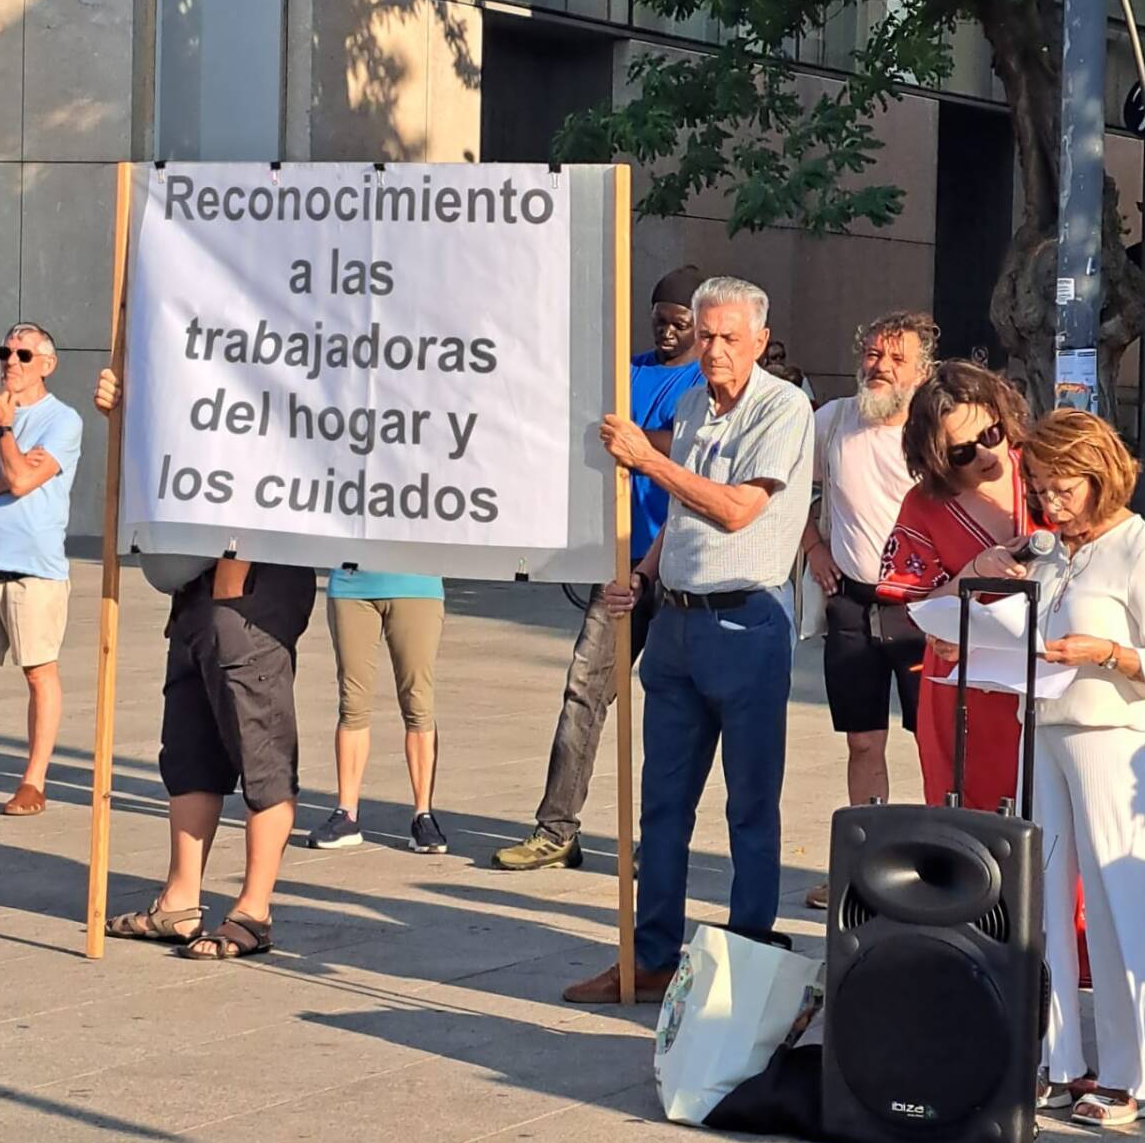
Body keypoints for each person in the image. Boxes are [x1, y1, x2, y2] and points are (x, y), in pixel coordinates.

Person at [563, 277, 814, 1004]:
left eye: (729, 337)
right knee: (661, 806)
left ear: (760, 339)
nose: (714, 350)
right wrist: (642, 575)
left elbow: (737, 510)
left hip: (745, 619)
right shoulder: (694, 402)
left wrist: (648, 460)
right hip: (675, 618)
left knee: (750, 807)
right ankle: (650, 956)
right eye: (705, 335)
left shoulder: (784, 407)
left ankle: (745, 965)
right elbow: (681, 510)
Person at [95, 368, 317, 958]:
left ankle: (253, 911)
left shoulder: (272, 360)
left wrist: (234, 568)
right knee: (190, 750)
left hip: (249, 589)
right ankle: (180, 900)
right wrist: (125, 411)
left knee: (261, 751)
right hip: (195, 593)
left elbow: (281, 446)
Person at [492, 267, 704, 870]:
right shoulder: (625, 370)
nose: (666, 332)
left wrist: (635, 441)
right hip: (617, 559)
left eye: (678, 323)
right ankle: (556, 828)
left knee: (673, 707)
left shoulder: (702, 381)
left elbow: (690, 445)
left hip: (678, 561)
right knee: (584, 690)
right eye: (659, 320)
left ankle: (658, 843)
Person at [1024, 411, 1145, 1128]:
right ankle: (1058, 1060)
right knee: (1044, 901)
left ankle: (1131, 1075)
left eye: (1062, 488)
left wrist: (1108, 653)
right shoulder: (1052, 550)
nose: (1050, 502)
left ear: (1100, 477)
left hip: (1111, 733)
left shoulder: (1142, 550)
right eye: (1040, 487)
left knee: (1117, 901)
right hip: (1045, 726)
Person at [799, 311, 936, 907]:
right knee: (862, 742)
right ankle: (864, 868)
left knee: (935, 743)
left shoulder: (937, 431)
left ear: (922, 371)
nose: (880, 367)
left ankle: (943, 866)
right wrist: (813, 548)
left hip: (924, 612)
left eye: (896, 358)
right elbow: (781, 489)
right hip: (851, 606)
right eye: (874, 354)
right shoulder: (832, 421)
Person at [877, 360, 1037, 810]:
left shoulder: (1043, 472)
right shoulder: (924, 505)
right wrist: (974, 571)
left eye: (992, 434)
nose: (986, 455)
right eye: (963, 452)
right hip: (966, 688)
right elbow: (915, 607)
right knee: (970, 816)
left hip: (1047, 675)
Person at [0, 325, 83, 817]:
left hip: (34, 566)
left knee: (38, 670)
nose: (11, 360)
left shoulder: (62, 421)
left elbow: (25, 481)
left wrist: (4, 433)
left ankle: (33, 781)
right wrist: (7, 476)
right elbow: (14, 476)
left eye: (23, 354)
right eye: (5, 351)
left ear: (47, 364)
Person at [306, 567, 447, 854]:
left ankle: (424, 814)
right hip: (352, 585)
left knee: (418, 703)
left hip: (417, 585)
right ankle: (346, 813)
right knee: (352, 703)